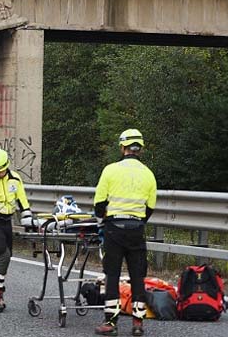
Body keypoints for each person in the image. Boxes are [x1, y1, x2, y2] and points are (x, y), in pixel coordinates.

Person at [93, 129, 158, 337]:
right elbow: (150, 207)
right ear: (140, 149)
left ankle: (110, 322)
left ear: (122, 147)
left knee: (112, 274)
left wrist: (103, 221)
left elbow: (99, 204)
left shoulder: (110, 170)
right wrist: (137, 221)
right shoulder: (148, 174)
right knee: (137, 275)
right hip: (136, 229)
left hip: (114, 229)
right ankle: (138, 323)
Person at [0, 148, 35, 312]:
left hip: (7, 222)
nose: (1, 173)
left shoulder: (15, 178)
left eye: (3, 170)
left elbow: (22, 200)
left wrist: (27, 215)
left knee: (5, 259)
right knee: (4, 255)